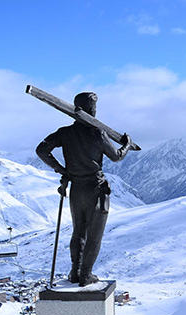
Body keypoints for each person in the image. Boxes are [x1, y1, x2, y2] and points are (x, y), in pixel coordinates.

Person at [36, 92, 132, 286]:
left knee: (78, 232)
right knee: (94, 235)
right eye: (94, 108)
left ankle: (75, 272)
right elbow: (116, 156)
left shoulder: (65, 133)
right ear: (91, 110)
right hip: (96, 189)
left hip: (76, 188)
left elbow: (41, 150)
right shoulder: (98, 133)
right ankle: (86, 275)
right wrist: (127, 145)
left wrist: (62, 170)